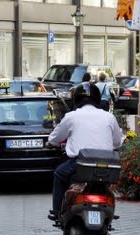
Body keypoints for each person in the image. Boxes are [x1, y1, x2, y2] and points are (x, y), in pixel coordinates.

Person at [47, 82, 123, 219]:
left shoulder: (71, 116)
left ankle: (57, 212)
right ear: (97, 99)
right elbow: (117, 142)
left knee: (59, 174)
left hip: (80, 163)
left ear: (76, 99)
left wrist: (51, 143)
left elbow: (54, 139)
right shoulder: (109, 117)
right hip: (106, 165)